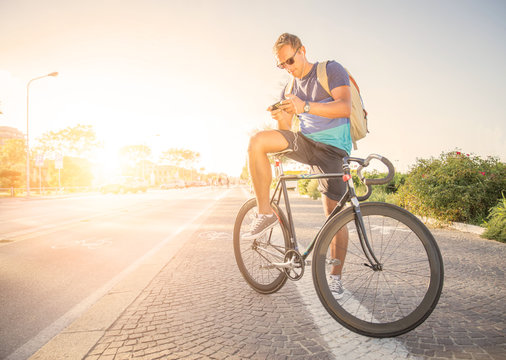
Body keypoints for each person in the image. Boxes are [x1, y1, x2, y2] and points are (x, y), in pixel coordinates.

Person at [245, 33, 352, 298]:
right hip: (305, 143)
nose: (288, 67)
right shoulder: (289, 89)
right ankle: (265, 211)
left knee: (335, 217)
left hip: (333, 148)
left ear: (302, 50)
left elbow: (344, 108)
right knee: (257, 142)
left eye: (290, 60)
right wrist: (281, 116)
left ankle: (335, 277)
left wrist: (304, 106)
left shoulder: (330, 70)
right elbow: (285, 133)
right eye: (282, 65)